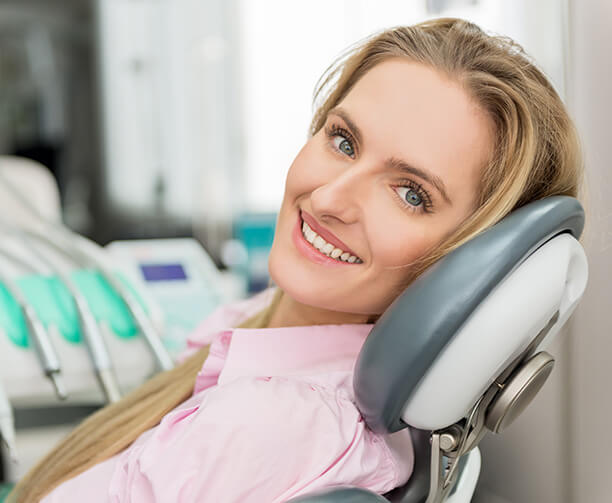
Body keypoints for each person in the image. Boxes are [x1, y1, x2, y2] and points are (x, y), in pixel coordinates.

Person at [8, 17, 583, 503]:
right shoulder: (268, 333)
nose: (329, 199)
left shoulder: (276, 423)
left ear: (464, 267)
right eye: (343, 141)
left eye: (411, 193)